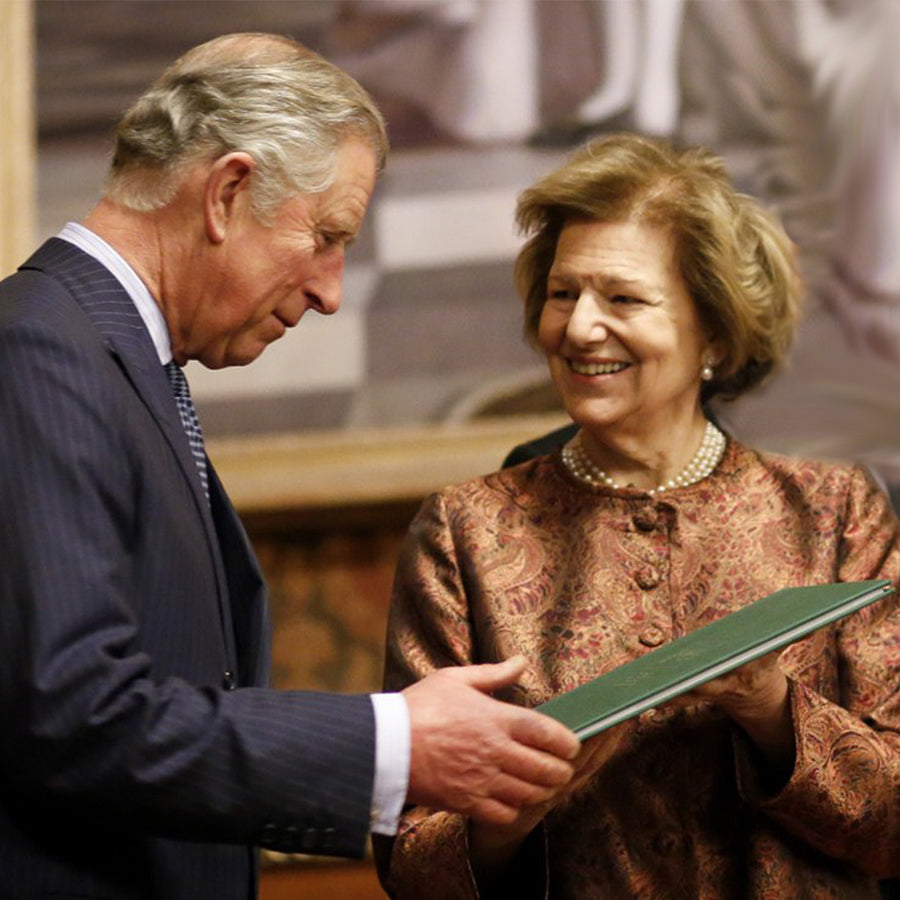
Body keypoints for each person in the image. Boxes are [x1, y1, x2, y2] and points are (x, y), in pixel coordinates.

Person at [0, 33, 581, 900]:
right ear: (228, 192)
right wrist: (395, 745)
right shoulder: (40, 349)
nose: (331, 289)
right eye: (325, 235)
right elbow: (79, 713)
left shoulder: (116, 358)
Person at [376, 132, 900, 898]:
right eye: (564, 294)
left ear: (714, 332)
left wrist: (770, 709)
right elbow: (412, 865)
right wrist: (515, 805)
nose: (580, 327)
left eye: (623, 298)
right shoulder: (465, 531)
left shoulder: (836, 513)